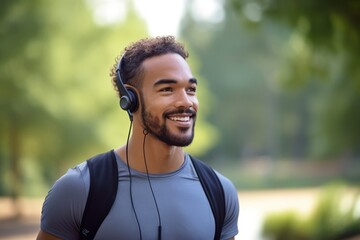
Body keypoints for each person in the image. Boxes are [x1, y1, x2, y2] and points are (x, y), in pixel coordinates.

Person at [37, 36, 239, 240]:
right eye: (167, 89)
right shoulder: (78, 190)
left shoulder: (221, 192)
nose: (185, 102)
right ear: (131, 100)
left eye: (191, 89)